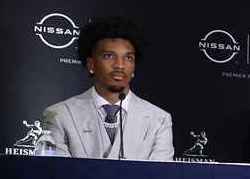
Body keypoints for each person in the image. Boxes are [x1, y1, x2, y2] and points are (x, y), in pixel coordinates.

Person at [41, 15, 174, 160]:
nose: (120, 65)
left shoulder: (159, 119)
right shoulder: (60, 115)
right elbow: (60, 176)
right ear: (91, 64)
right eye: (109, 56)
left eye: (128, 58)